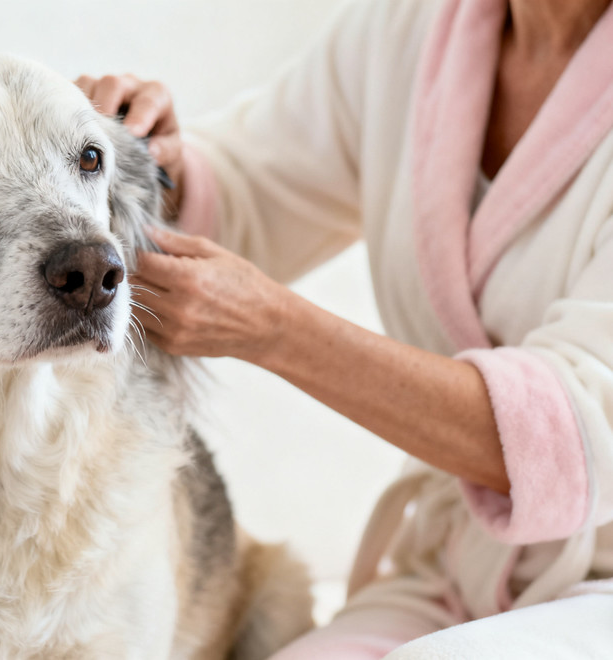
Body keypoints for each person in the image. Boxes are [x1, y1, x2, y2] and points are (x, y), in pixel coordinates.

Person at [78, 0, 613, 657]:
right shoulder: (415, 25)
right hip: (453, 569)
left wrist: (276, 330)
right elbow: (256, 185)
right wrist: (159, 167)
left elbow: (576, 438)